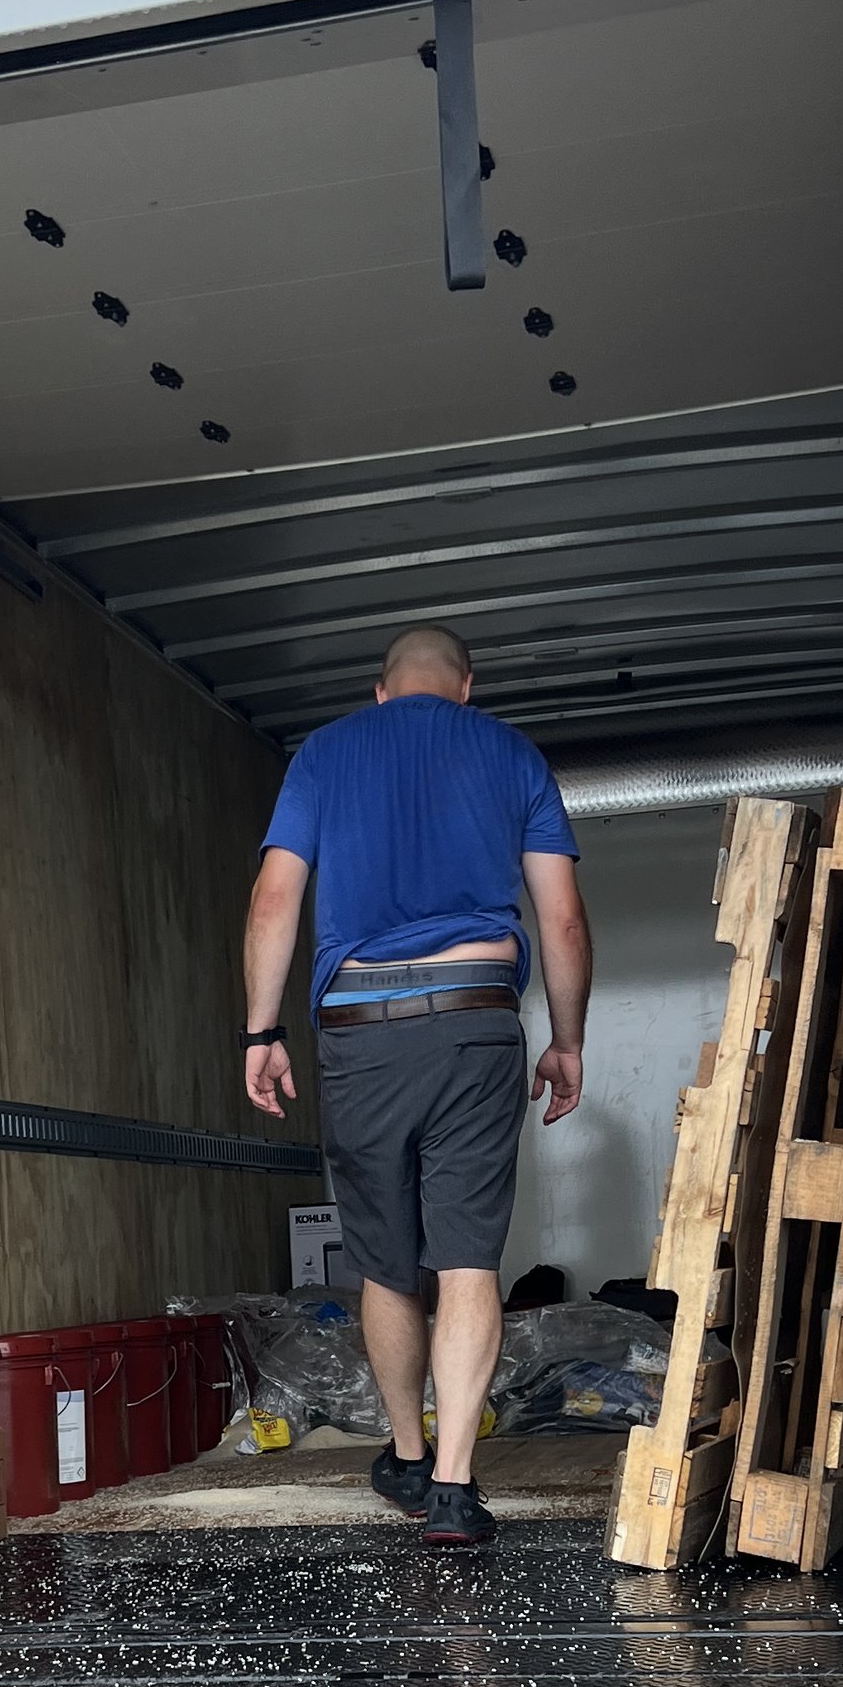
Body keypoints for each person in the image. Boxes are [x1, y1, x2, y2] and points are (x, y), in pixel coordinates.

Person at [241, 622, 589, 1547]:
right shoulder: (511, 753)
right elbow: (561, 917)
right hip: (476, 1019)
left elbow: (274, 899)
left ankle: (403, 1449)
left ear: (383, 690)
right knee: (468, 1257)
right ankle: (452, 1484)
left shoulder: (324, 753)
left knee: (386, 1262)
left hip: (358, 1030)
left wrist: (262, 1030)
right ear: (467, 687)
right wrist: (567, 1039)